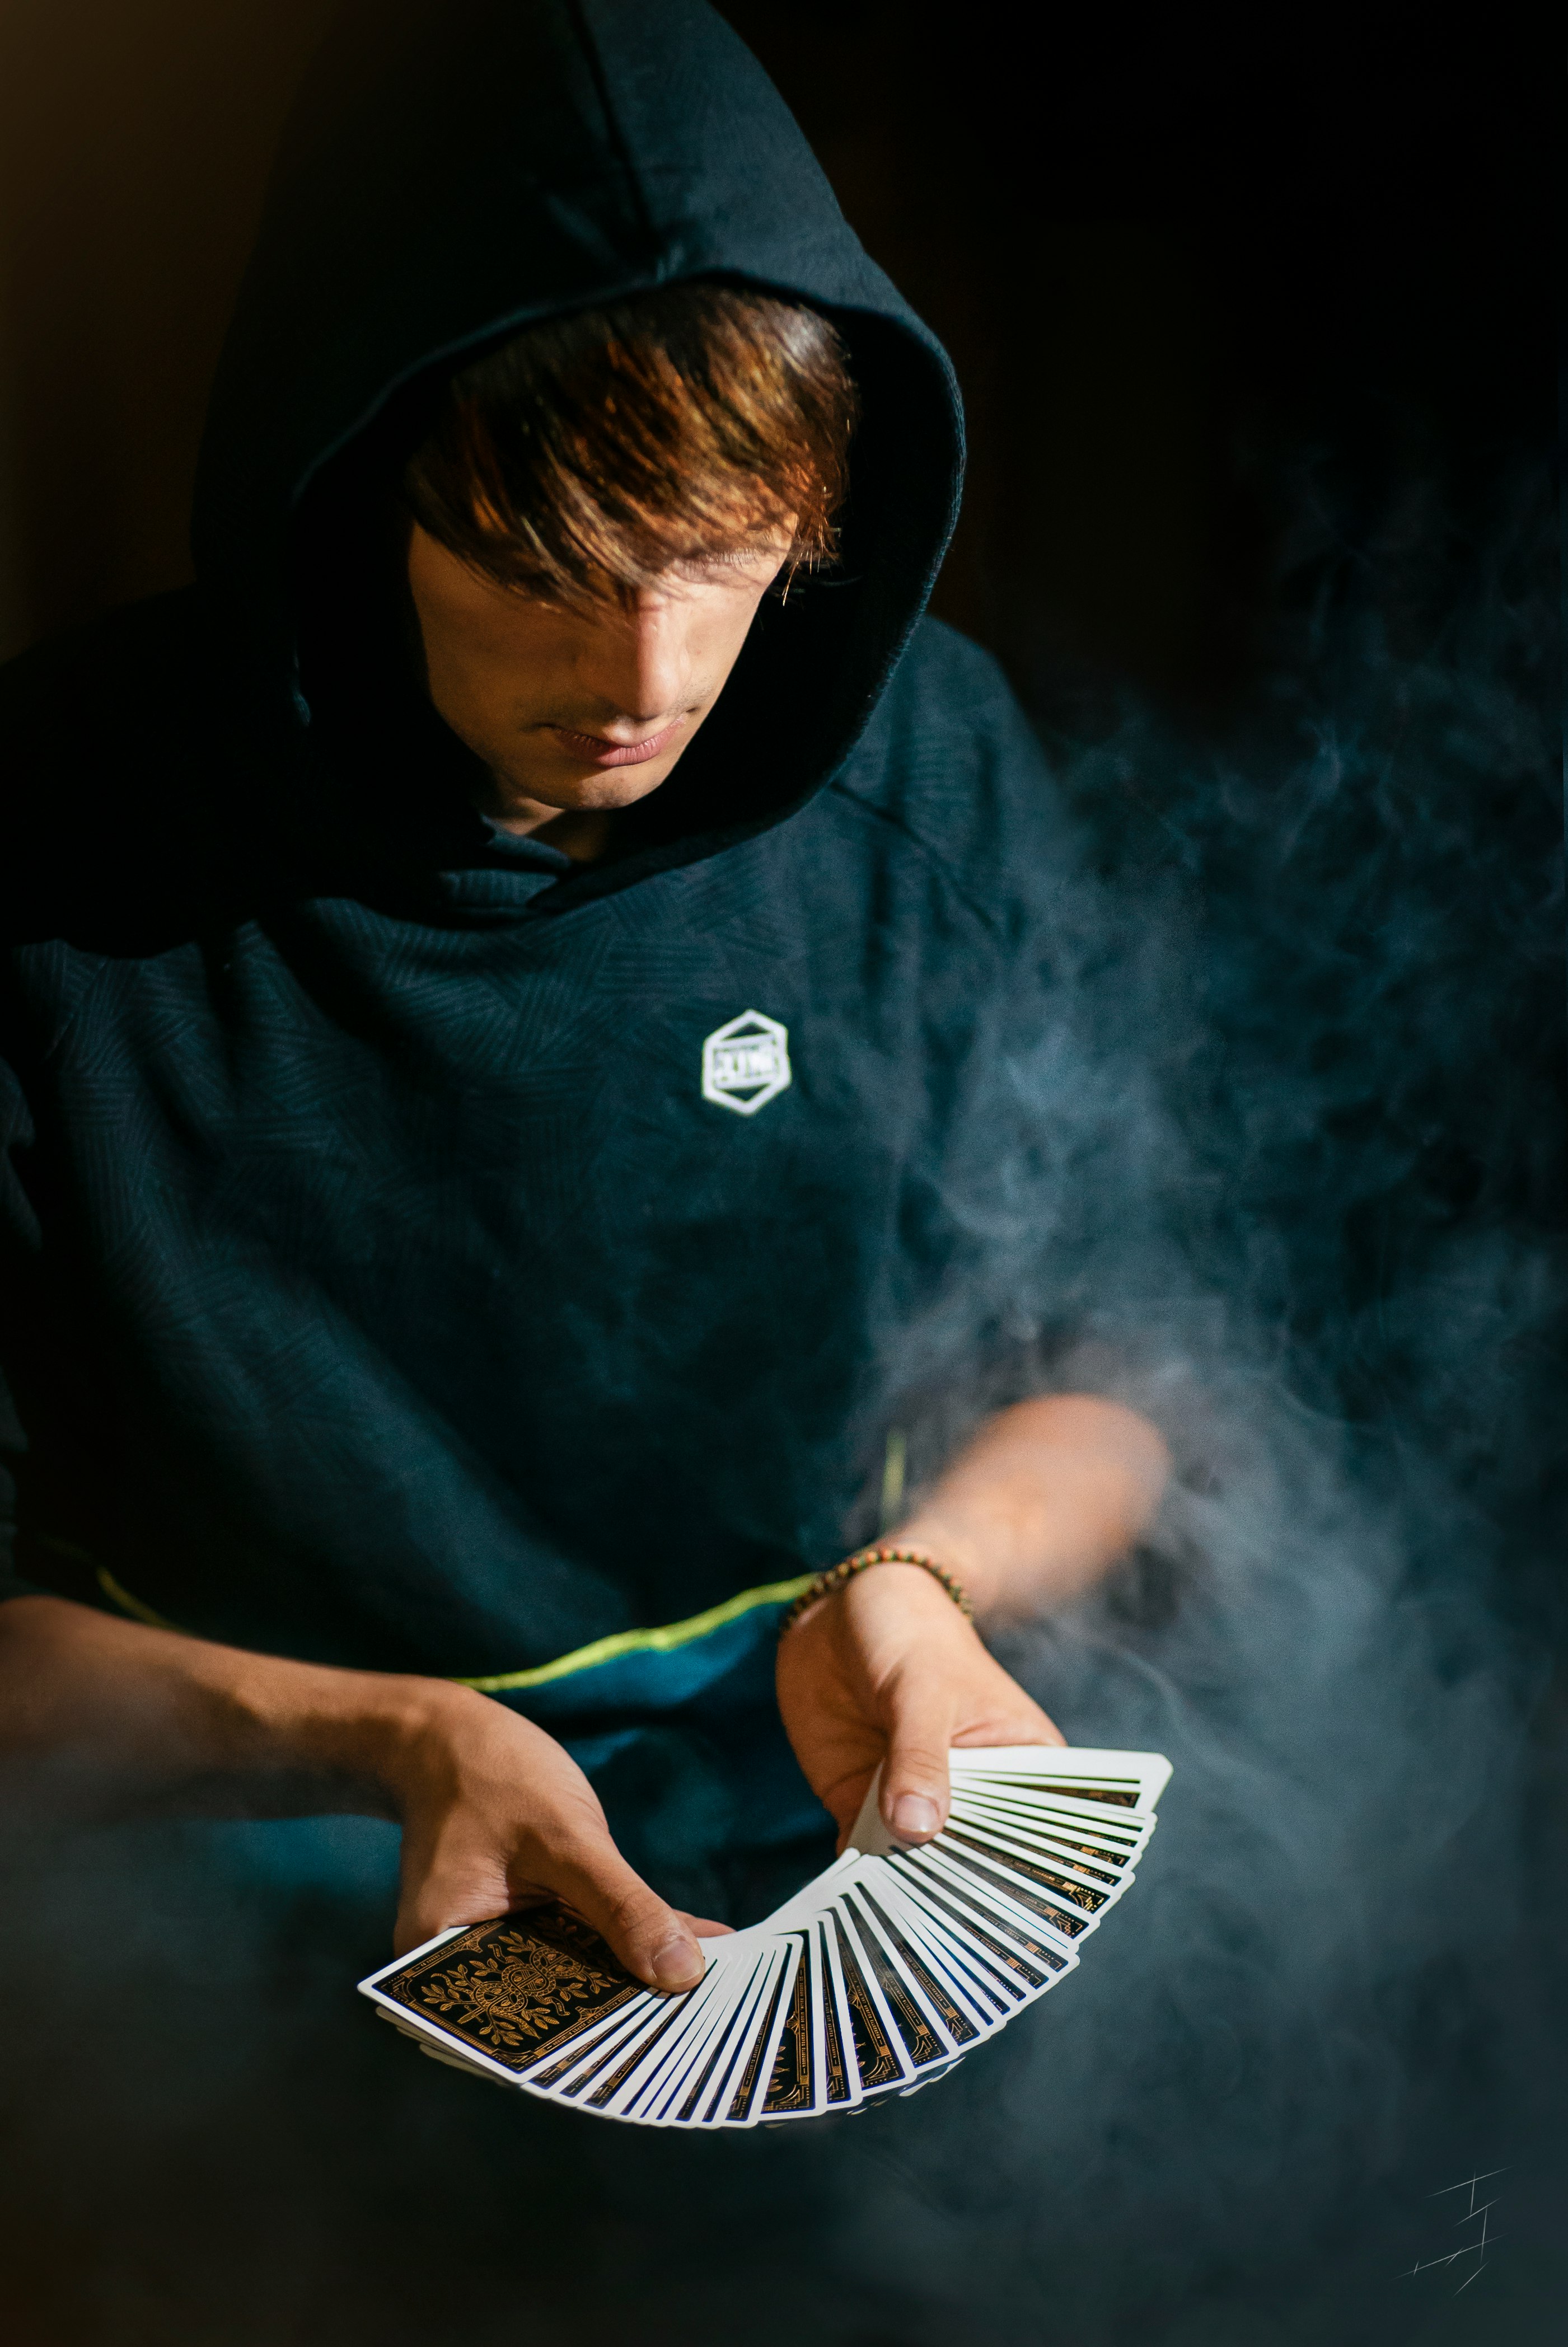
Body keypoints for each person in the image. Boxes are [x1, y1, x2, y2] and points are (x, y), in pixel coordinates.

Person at [0, 0, 1168, 1993]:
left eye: (714, 557)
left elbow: (1122, 1369)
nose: (639, 677)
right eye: (538, 559)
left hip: (802, 1785)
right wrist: (387, 1740)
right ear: (359, 477)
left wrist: (917, 1583)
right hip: (230, 1853)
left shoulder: (933, 774)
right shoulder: (58, 852)